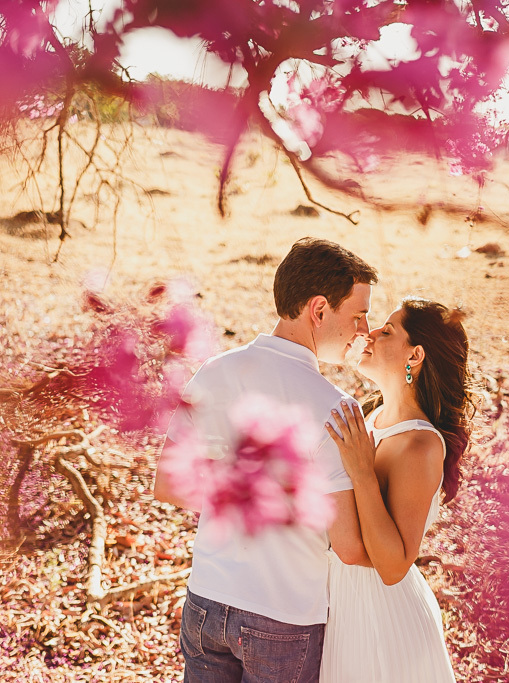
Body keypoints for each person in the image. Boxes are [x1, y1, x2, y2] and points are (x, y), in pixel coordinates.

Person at [153, 237, 377, 682]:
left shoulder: (214, 371)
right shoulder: (335, 409)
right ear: (318, 310)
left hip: (206, 600)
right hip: (282, 618)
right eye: (357, 314)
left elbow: (168, 484)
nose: (364, 329)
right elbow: (351, 547)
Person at [321, 297, 472, 682]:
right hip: (342, 605)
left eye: (387, 331)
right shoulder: (371, 418)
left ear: (415, 355)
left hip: (381, 621)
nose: (369, 334)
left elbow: (393, 566)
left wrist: (362, 473)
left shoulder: (420, 446)